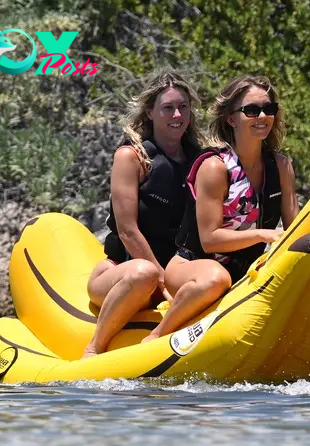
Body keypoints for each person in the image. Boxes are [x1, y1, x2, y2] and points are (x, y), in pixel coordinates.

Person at [142, 75, 299, 343]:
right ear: (231, 118)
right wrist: (264, 235)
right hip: (192, 266)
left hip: (248, 268)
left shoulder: (281, 167)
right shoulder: (215, 167)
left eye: (269, 109)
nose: (262, 116)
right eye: (251, 110)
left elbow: (296, 226)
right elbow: (210, 238)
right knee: (216, 279)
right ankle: (156, 337)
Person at [82, 71, 203, 358]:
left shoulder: (201, 160)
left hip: (174, 273)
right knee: (144, 272)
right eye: (168, 107)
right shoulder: (132, 157)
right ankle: (94, 347)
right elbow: (127, 231)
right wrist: (162, 284)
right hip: (122, 272)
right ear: (150, 112)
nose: (177, 114)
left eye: (183, 107)